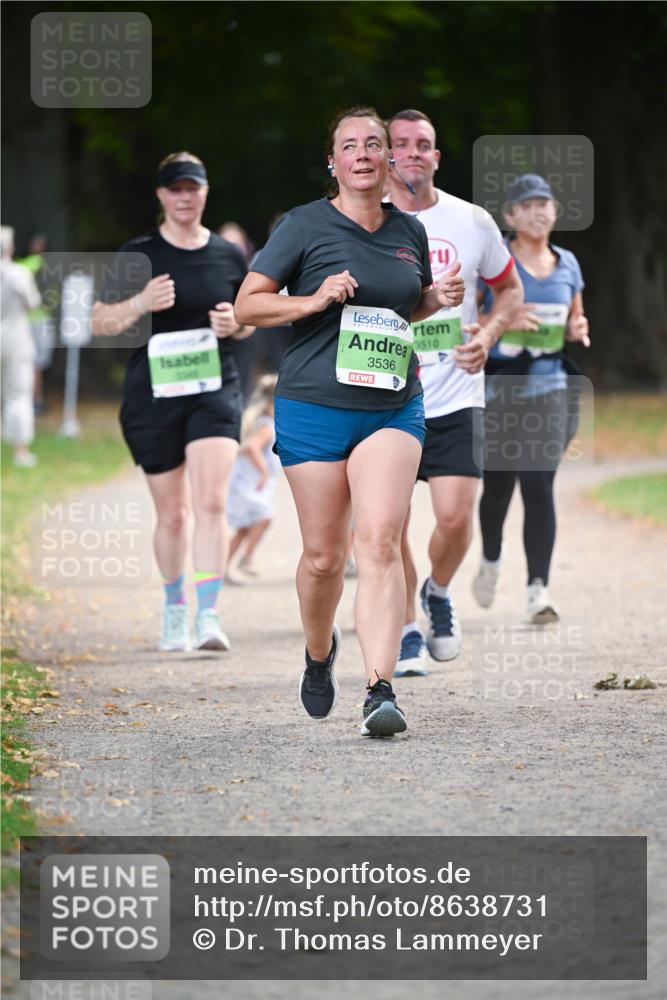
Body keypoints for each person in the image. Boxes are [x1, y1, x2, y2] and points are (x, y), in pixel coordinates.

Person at [234, 106, 464, 737]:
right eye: (349, 145)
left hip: (392, 403)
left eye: (374, 143)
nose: (363, 153)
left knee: (382, 541)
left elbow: (402, 308)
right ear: (332, 162)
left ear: (391, 158)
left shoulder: (408, 231)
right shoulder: (303, 225)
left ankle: (380, 690)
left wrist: (432, 300)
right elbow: (248, 304)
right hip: (313, 406)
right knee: (322, 558)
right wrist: (312, 299)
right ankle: (318, 652)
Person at [91, 152, 254, 652]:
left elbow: (251, 316)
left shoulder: (229, 254)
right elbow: (100, 322)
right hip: (153, 395)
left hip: (213, 390)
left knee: (210, 501)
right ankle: (175, 607)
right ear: (161, 195)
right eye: (175, 188)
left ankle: (209, 615)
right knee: (174, 514)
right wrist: (140, 303)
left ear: (205, 193)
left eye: (193, 188)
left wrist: (237, 325)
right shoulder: (137, 253)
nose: (185, 197)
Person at [385, 109, 523, 676]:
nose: (414, 152)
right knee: (387, 525)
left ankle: (437, 593)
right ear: (386, 156)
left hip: (457, 390)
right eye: (401, 144)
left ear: (437, 157)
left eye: (425, 144)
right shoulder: (366, 223)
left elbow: (509, 290)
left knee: (455, 517)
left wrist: (488, 335)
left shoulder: (472, 221)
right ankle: (404, 629)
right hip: (385, 395)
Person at [472, 173, 590, 623]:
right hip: (500, 389)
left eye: (546, 204)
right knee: (498, 488)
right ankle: (491, 557)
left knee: (539, 485)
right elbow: (474, 317)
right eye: (529, 204)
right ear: (511, 215)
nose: (539, 211)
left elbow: (576, 320)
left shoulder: (569, 263)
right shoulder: (496, 260)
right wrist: (507, 316)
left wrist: (579, 329)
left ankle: (537, 590)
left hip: (552, 387)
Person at [226, 374, 280, 579]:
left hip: (249, 481)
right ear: (269, 404)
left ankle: (225, 566)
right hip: (250, 482)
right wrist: (264, 471)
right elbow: (251, 447)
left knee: (243, 527)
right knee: (263, 517)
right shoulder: (266, 425)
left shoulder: (264, 422)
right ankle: (246, 558)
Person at [1, 225, 41, 467]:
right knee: (18, 393)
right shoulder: (19, 273)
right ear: (10, 247)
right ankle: (20, 450)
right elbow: (33, 303)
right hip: (16, 338)